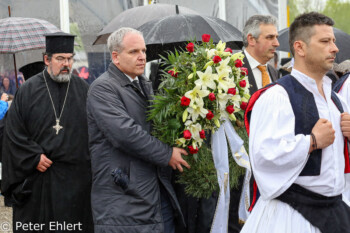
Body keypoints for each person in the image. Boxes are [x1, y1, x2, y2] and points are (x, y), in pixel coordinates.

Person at [241, 12, 350, 233]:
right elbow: (264, 156)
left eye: (334, 42)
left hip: (336, 212)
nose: (335, 49)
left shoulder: (335, 100)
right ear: (299, 48)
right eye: (325, 41)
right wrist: (311, 141)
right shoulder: (277, 96)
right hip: (291, 216)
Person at [87, 27, 189, 233]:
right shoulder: (103, 88)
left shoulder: (143, 84)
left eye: (143, 51)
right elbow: (125, 133)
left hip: (151, 192)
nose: (142, 57)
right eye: (134, 52)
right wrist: (167, 154)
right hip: (123, 197)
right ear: (115, 57)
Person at [1, 32, 94, 232]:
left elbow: (93, 134)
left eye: (69, 59)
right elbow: (12, 132)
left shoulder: (84, 90)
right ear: (47, 59)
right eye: (60, 59)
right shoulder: (28, 91)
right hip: (39, 184)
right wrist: (33, 156)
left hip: (74, 184)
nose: (66, 64)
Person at [242, 15, 280, 95]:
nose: (277, 44)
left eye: (276, 37)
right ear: (251, 39)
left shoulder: (274, 72)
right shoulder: (231, 69)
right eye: (270, 37)